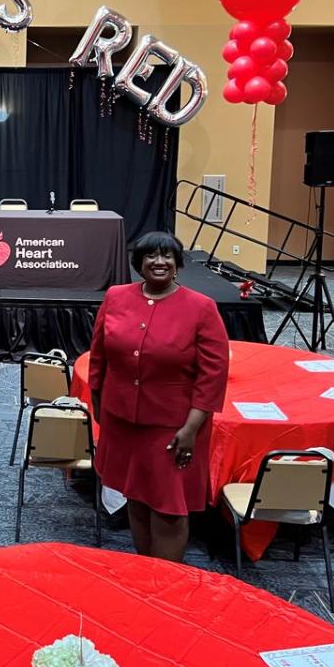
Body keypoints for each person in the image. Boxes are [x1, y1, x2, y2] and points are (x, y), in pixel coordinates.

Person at [88, 231, 229, 562]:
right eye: (151, 256)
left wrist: (192, 429)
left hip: (174, 427)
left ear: (178, 264)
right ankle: (143, 574)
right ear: (139, 263)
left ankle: (165, 584)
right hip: (122, 421)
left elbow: (213, 375)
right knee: (135, 496)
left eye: (167, 256)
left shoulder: (201, 308)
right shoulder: (115, 297)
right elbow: (98, 357)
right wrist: (99, 407)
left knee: (168, 507)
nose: (159, 262)